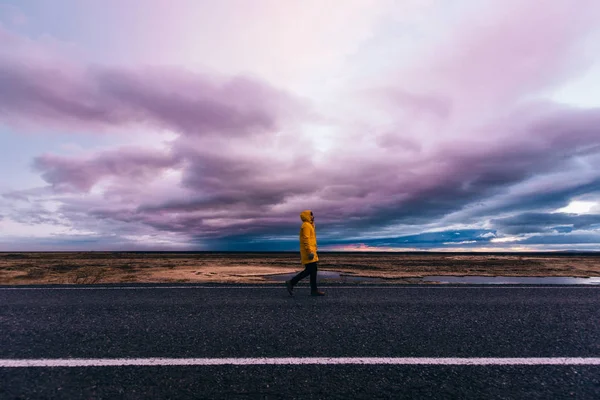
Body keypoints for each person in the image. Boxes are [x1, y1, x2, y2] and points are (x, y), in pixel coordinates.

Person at [286, 210, 325, 296]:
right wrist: (309, 251)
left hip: (311, 251)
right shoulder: (306, 225)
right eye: (311, 215)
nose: (313, 217)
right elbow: (306, 239)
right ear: (307, 216)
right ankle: (291, 282)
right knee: (310, 270)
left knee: (313, 270)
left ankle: (314, 290)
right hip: (309, 252)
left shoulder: (310, 225)